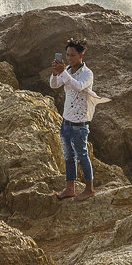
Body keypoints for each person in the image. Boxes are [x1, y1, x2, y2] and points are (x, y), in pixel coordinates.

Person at [50, 38, 101, 201]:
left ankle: (89, 189)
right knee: (68, 156)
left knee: (82, 156)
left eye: (72, 55)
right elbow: (54, 85)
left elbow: (79, 86)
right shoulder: (68, 71)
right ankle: (69, 188)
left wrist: (63, 72)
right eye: (67, 55)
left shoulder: (87, 73)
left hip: (80, 124)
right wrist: (55, 72)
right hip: (66, 122)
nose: (69, 58)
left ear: (81, 55)